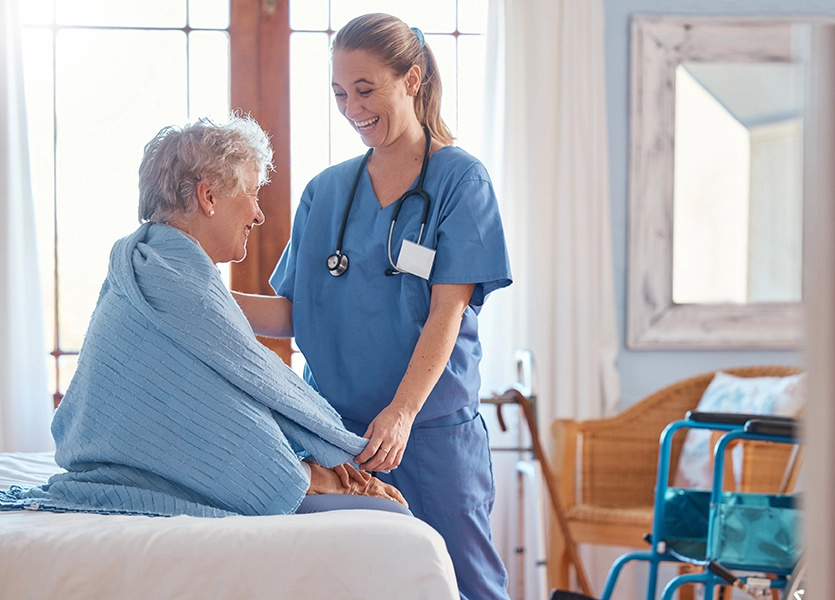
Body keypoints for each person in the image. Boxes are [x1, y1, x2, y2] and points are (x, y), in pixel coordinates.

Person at [232, 14, 512, 600]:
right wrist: (194, 295)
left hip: (428, 434)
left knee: (465, 585)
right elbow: (293, 314)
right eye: (339, 92)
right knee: (346, 586)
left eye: (365, 89)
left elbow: (447, 312)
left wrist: (403, 413)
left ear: (411, 80)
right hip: (333, 440)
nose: (352, 107)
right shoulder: (326, 191)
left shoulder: (461, 180)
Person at [0, 116, 407, 518]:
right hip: (125, 465)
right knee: (393, 519)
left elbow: (219, 402)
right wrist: (329, 461)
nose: (259, 214)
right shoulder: (172, 277)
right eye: (252, 193)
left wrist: (322, 459)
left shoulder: (155, 266)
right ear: (208, 197)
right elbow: (237, 404)